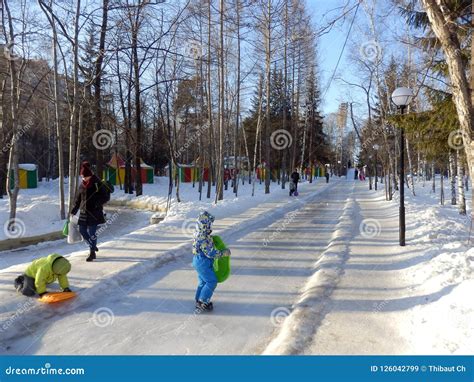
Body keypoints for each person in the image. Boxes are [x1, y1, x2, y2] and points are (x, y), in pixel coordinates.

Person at [71, 161, 109, 262]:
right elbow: (78, 200)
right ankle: (93, 245)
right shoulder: (82, 185)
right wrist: (74, 210)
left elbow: (106, 196)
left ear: (89, 175)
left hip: (94, 212)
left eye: (85, 177)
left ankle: (92, 253)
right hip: (84, 212)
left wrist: (96, 204)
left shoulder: (97, 183)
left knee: (92, 233)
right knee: (82, 231)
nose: (83, 179)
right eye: (82, 177)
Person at [192, 211, 230, 312]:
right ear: (205, 225)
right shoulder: (203, 238)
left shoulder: (200, 234)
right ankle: (203, 301)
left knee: (203, 282)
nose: (210, 226)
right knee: (211, 281)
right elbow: (210, 252)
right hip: (202, 261)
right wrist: (222, 253)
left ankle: (198, 300)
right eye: (209, 224)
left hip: (198, 260)